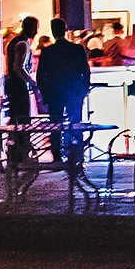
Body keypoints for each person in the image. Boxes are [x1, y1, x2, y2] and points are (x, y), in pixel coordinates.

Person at [38, 21, 95, 179]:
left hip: (55, 93)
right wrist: (83, 90)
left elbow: (41, 75)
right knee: (75, 123)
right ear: (65, 30)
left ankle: (57, 156)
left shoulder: (48, 51)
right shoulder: (76, 49)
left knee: (55, 124)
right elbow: (85, 70)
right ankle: (76, 154)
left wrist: (45, 93)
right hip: (73, 92)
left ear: (52, 31)